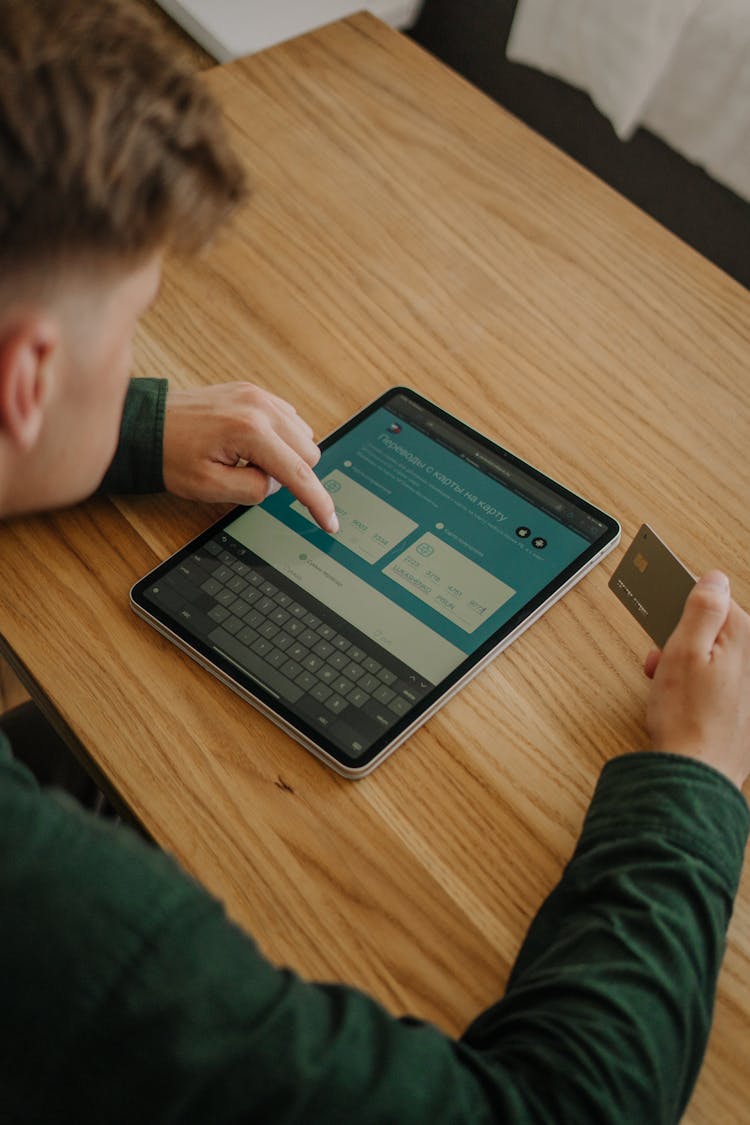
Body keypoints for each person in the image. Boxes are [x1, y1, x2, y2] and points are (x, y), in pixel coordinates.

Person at [0, 2, 748, 1122]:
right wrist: (694, 785)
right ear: (30, 377)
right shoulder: (58, 919)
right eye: (132, 324)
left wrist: (134, 427)